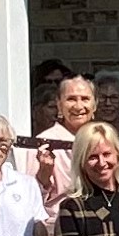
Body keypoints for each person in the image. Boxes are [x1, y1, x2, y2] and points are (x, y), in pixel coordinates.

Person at [35, 74, 96, 217]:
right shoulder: (44, 142)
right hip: (59, 223)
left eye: (85, 99)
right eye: (71, 99)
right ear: (59, 104)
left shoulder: (102, 139)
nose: (78, 106)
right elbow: (31, 196)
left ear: (95, 104)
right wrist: (44, 174)